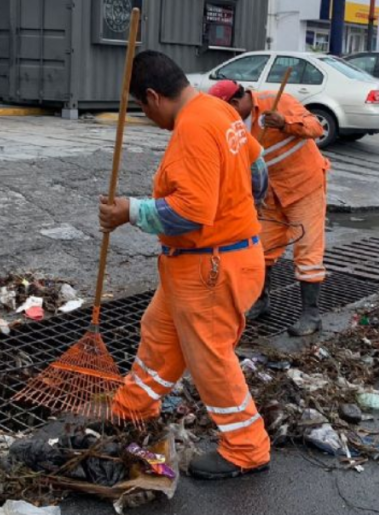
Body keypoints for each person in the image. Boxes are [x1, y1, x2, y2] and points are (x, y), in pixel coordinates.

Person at [98, 51, 271, 480]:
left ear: (154, 96)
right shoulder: (219, 109)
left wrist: (129, 211)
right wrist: (239, 207)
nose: (145, 114)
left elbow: (191, 213)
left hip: (211, 267)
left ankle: (247, 449)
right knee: (159, 331)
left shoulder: (193, 127)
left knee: (211, 360)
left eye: (141, 105)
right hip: (205, 261)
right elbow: (257, 169)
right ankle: (132, 407)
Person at [207, 79, 330, 336]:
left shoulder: (276, 101)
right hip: (270, 194)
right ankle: (261, 302)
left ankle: (311, 314)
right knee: (261, 249)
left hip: (303, 185)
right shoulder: (230, 122)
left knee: (308, 250)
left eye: (225, 111)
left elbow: (316, 127)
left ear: (234, 103)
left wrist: (284, 124)